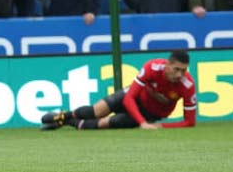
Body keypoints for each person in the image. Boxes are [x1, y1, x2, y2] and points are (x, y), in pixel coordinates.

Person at [41, 50, 197, 130]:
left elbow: (190, 122)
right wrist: (142, 123)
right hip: (133, 99)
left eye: (183, 70)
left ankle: (67, 122)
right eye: (176, 69)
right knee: (96, 110)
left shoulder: (187, 85)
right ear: (167, 65)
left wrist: (160, 126)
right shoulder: (152, 67)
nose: (180, 74)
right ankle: (64, 116)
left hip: (151, 113)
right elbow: (129, 98)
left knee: (106, 123)